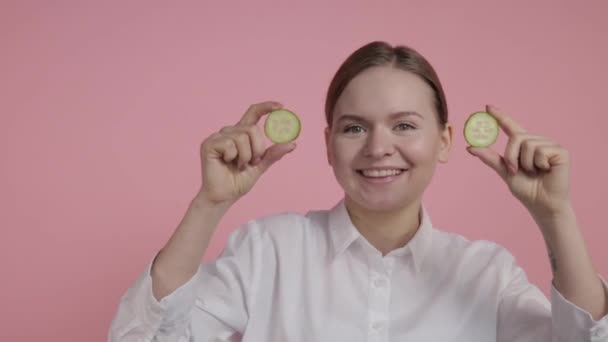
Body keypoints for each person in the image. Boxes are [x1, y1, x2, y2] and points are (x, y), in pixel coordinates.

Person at [108, 41, 608, 341]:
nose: (378, 148)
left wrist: (555, 215)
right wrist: (209, 204)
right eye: (354, 128)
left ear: (445, 141)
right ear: (328, 145)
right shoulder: (268, 251)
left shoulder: (487, 273)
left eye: (405, 125)